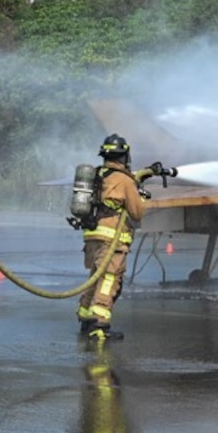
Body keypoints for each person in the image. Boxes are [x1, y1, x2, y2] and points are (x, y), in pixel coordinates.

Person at [74, 134, 172, 341]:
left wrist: (147, 173)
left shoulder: (100, 174)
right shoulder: (125, 181)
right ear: (124, 156)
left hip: (92, 236)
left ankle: (85, 319)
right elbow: (136, 213)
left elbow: (117, 186)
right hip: (113, 239)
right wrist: (139, 197)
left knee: (95, 277)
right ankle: (100, 326)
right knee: (109, 279)